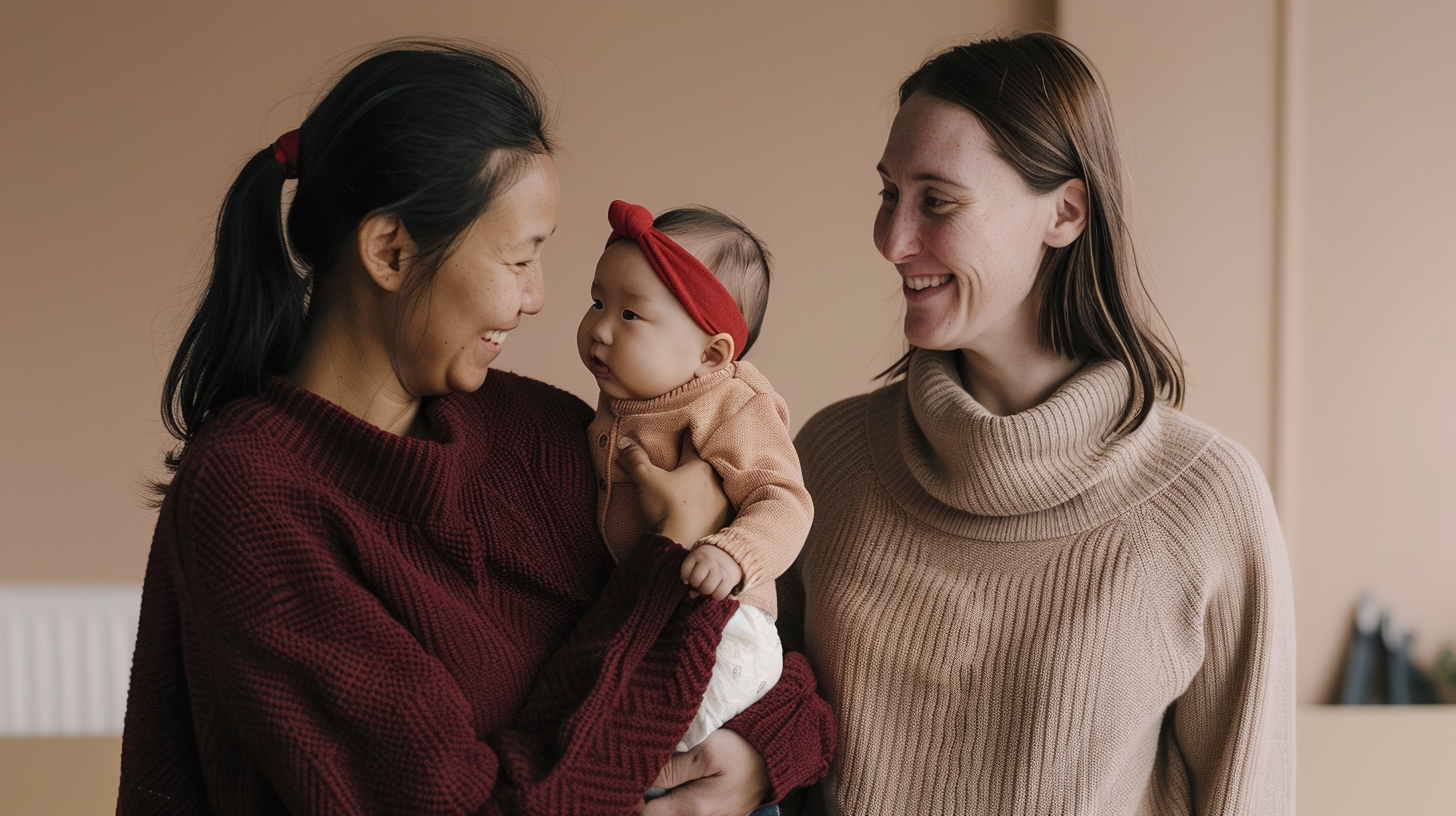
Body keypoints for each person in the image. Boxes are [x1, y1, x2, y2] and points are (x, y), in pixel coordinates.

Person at [119, 41, 833, 816]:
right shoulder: (254, 499)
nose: (538, 299)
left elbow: (772, 669)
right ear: (391, 251)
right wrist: (668, 553)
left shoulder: (546, 431)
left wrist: (760, 754)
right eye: (521, 258)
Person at [781, 32, 1295, 814]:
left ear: (1065, 212)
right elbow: (752, 713)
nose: (892, 240)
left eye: (937, 201)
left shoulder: (1208, 502)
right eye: (889, 194)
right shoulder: (828, 459)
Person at [578, 200, 813, 755]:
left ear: (711, 354)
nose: (600, 329)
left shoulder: (731, 404)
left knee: (655, 738)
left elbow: (784, 500)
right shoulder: (625, 398)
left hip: (731, 624)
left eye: (630, 315)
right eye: (596, 302)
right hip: (655, 616)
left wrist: (733, 554)